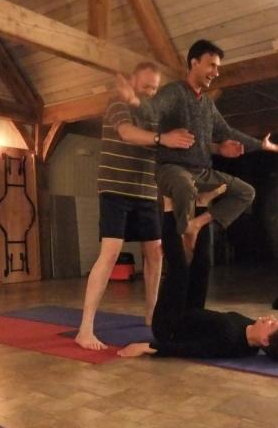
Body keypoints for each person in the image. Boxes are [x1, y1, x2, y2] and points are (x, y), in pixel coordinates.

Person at [75, 62, 195, 351]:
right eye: (145, 88)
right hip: (115, 188)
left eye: (155, 88)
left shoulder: (155, 113)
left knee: (155, 251)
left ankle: (151, 313)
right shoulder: (117, 103)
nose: (151, 93)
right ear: (131, 82)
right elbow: (128, 133)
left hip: (145, 192)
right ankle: (85, 329)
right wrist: (161, 138)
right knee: (111, 252)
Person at [152, 39, 278, 261]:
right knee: (185, 186)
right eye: (211, 65)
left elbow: (226, 131)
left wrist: (259, 145)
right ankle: (181, 238)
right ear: (194, 63)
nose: (216, 72)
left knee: (246, 192)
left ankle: (196, 225)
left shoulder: (207, 104)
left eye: (218, 68)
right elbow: (150, 113)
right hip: (171, 169)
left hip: (203, 172)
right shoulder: (173, 92)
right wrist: (163, 137)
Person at [118, 207, 278, 361]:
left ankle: (169, 208)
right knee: (203, 265)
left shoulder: (228, 343)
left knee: (180, 270)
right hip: (191, 312)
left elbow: (188, 349)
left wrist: (146, 347)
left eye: (272, 324)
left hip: (169, 327)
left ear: (265, 340)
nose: (270, 318)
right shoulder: (253, 338)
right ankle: (202, 205)